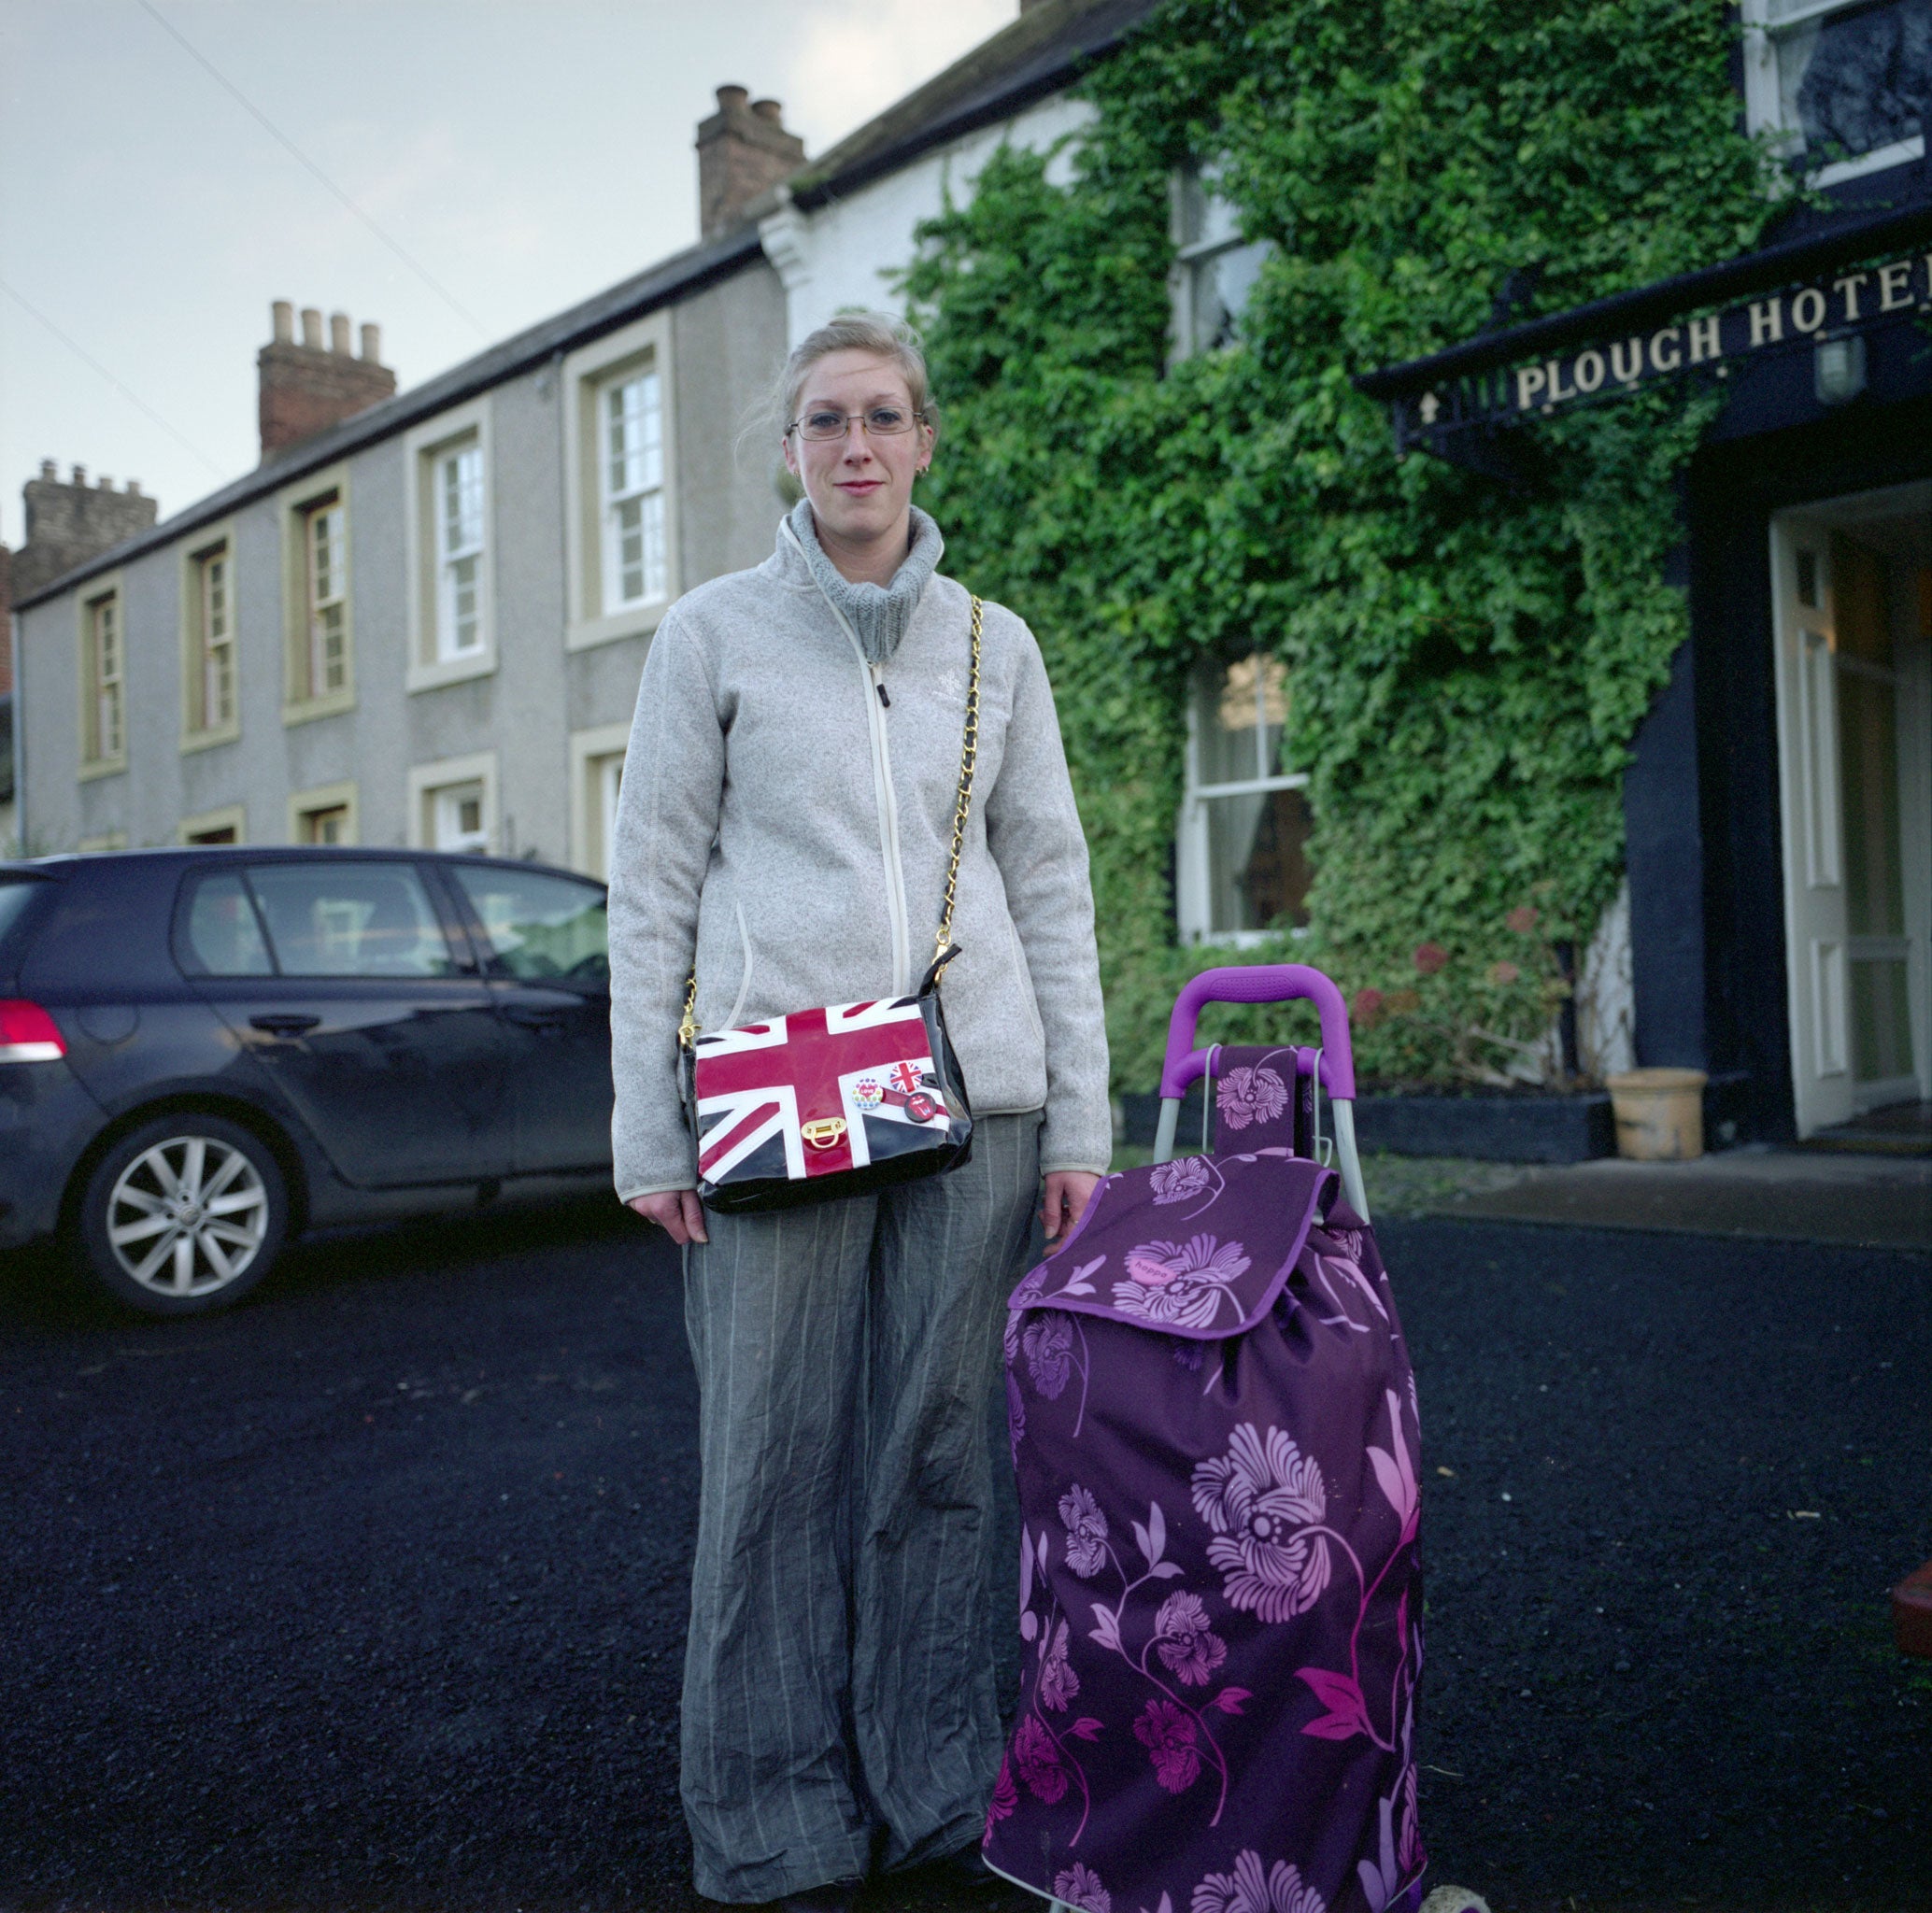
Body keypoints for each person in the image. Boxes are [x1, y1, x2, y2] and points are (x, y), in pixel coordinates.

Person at [606, 312, 1112, 1911]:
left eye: (883, 417)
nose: (855, 447)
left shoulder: (995, 644)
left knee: (941, 1455)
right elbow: (652, 888)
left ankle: (938, 1787)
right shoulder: (711, 636)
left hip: (979, 1103)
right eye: (824, 420)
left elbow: (1053, 885)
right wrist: (647, 1125)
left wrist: (1082, 1121)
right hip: (779, 1101)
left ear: (925, 439)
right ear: (790, 450)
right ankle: (772, 1825)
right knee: (768, 1464)